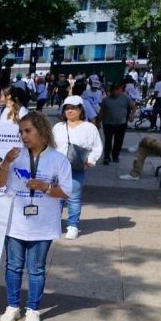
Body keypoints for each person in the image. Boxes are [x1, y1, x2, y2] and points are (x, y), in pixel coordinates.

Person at [0, 112, 73, 321]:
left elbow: (66, 192)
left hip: (43, 224)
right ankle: (12, 306)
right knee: (13, 266)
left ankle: (33, 309)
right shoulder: (14, 156)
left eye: (28, 131)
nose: (24, 136)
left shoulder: (58, 159)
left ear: (42, 131)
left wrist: (45, 187)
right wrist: (5, 163)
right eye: (21, 131)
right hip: (16, 222)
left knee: (36, 268)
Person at [52, 96, 103, 240]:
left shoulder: (89, 127)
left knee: (73, 197)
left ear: (81, 109)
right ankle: (54, 224)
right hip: (57, 168)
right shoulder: (58, 127)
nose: (70, 111)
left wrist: (89, 162)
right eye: (67, 108)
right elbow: (51, 146)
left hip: (76, 168)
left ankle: (72, 226)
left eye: (73, 108)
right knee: (56, 197)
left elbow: (97, 148)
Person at [98, 83, 137, 164]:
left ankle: (115, 156)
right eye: (113, 91)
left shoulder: (125, 98)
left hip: (121, 124)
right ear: (111, 91)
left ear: (119, 91)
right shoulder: (106, 100)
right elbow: (102, 112)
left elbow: (133, 107)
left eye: (117, 90)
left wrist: (132, 116)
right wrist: (98, 122)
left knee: (118, 141)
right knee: (108, 141)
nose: (115, 92)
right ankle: (106, 157)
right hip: (108, 123)